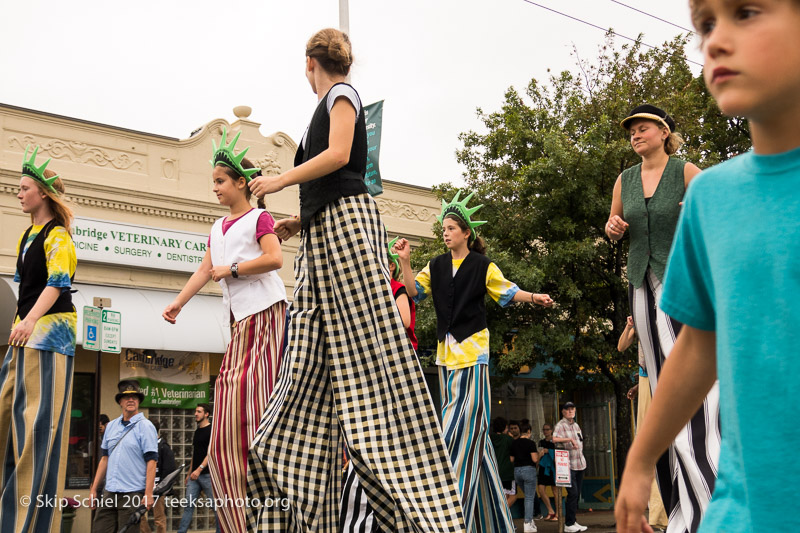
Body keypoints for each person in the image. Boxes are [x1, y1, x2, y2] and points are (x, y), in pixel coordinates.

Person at [245, 28, 466, 532]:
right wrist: (301, 220)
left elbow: (343, 157)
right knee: (305, 357)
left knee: (373, 353)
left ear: (310, 63)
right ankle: (296, 496)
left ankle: (421, 503)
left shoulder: (341, 94)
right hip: (325, 232)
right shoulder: (325, 105)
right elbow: (333, 179)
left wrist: (280, 180)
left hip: (347, 230)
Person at [616, 1, 800, 532]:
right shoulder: (712, 198)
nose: (715, 40)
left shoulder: (689, 177)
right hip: (740, 511)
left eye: (746, 12)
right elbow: (699, 345)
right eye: (705, 24)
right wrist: (640, 459)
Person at [396, 189, 555, 533]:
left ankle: (445, 501)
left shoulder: (483, 265)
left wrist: (535, 296)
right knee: (473, 438)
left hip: (473, 353)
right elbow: (413, 293)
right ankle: (491, 522)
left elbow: (508, 293)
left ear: (466, 233)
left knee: (463, 426)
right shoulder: (435, 265)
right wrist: (406, 262)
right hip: (446, 356)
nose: (445, 232)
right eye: (443, 228)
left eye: (451, 228)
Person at [162, 129, 287, 532]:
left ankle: (269, 481)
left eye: (220, 181)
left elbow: (274, 258)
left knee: (255, 404)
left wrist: (231, 269)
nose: (214, 188)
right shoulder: (218, 228)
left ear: (240, 183)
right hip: (239, 323)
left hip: (267, 315)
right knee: (227, 406)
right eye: (213, 182)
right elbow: (204, 269)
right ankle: (239, 511)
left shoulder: (258, 217)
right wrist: (179, 302)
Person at [606, 103, 719, 533]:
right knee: (658, 376)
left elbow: (710, 215)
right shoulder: (625, 180)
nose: (635, 134)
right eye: (631, 130)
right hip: (640, 283)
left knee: (683, 376)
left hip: (679, 280)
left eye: (642, 127)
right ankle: (676, 505)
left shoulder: (686, 169)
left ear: (663, 131)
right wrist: (613, 228)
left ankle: (707, 483)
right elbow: (614, 224)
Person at [0, 146, 77, 533]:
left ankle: (28, 524)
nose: (18, 193)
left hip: (49, 337)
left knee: (37, 431)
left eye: (24, 187)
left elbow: (56, 284)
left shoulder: (57, 235)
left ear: (43, 193)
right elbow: (25, 289)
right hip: (24, 337)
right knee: (6, 417)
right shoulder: (27, 236)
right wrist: (20, 326)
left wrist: (29, 322)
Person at [339, 237, 422, 533]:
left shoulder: (395, 289)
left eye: (379, 264)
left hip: (397, 368)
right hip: (374, 369)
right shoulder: (367, 295)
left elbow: (400, 322)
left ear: (388, 267)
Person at [620, 316, 668, 532]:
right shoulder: (641, 319)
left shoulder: (665, 318)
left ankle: (664, 512)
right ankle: (659, 514)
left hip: (663, 376)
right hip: (648, 377)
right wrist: (630, 325)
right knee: (650, 444)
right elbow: (621, 346)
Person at [90, 380, 158, 533]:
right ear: (120, 401)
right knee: (99, 529)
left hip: (132, 493)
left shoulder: (146, 427)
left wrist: (148, 494)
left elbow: (152, 462)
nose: (131, 400)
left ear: (139, 401)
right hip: (110, 491)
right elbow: (104, 459)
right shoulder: (111, 426)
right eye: (127, 397)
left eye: (135, 397)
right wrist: (94, 489)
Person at [177, 403, 219, 533]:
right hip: (194, 477)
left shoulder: (212, 430)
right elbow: (195, 454)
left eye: (199, 411)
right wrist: (189, 473)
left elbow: (211, 453)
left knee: (216, 507)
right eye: (196, 411)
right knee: (188, 507)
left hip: (207, 475)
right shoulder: (197, 431)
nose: (196, 414)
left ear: (206, 414)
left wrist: (199, 469)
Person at [553, 402, 587, 533]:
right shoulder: (561, 425)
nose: (570, 411)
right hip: (569, 465)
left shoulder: (576, 425)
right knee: (572, 493)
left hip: (580, 464)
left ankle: (572, 520)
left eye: (572, 408)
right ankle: (568, 524)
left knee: (576, 494)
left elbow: (580, 440)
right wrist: (569, 440)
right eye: (567, 409)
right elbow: (554, 439)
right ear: (563, 411)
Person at [140, 421, 176, 533]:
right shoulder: (144, 445)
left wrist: (161, 487)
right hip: (143, 486)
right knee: (138, 515)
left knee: (159, 518)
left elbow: (169, 470)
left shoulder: (164, 447)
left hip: (158, 488)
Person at [510, 421, 540, 532]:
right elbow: (535, 459)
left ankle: (530, 521)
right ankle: (528, 522)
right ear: (528, 431)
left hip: (517, 471)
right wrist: (540, 455)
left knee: (527, 496)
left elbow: (511, 459)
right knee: (529, 497)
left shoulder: (514, 443)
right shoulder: (531, 443)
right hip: (529, 470)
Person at [489, 417, 518, 508]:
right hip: (507, 472)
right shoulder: (508, 439)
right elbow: (514, 454)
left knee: (503, 495)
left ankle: (503, 516)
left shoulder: (490, 438)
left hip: (494, 471)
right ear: (505, 427)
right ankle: (502, 514)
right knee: (513, 496)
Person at [537, 424, 558, 522]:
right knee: (541, 490)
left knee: (555, 491)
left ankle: (558, 513)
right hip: (542, 467)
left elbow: (559, 454)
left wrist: (548, 451)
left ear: (552, 430)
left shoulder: (555, 441)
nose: (545, 431)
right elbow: (538, 454)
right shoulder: (541, 442)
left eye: (547, 429)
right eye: (544, 429)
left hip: (552, 467)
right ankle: (550, 511)